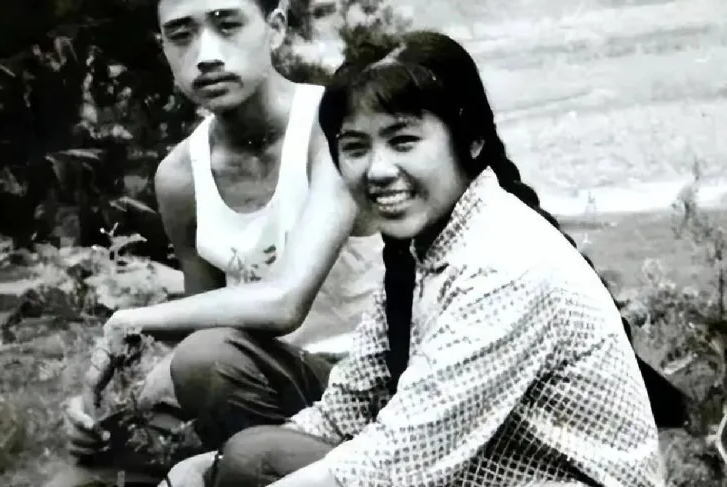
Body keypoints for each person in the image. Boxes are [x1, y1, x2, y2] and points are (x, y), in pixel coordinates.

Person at [165, 30, 672, 487]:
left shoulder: (504, 263)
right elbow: (348, 408)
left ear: (471, 140)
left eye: (403, 141)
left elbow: (401, 458)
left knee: (256, 464)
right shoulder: (424, 248)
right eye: (356, 147)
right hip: (461, 468)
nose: (378, 170)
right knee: (249, 455)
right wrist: (209, 468)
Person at [52, 0, 385, 484]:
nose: (206, 54)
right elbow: (204, 323)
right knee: (87, 471)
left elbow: (285, 303)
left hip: (369, 385)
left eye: (227, 25)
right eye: (181, 35)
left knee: (205, 366)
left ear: (275, 29)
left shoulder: (334, 128)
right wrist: (104, 410)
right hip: (257, 385)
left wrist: (131, 319)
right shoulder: (180, 176)